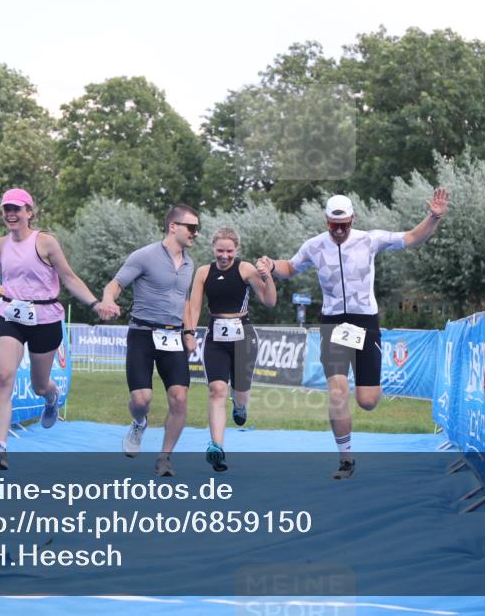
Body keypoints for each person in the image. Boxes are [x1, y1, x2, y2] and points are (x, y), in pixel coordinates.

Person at [257, 190, 450, 479]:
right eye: (334, 226)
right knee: (337, 391)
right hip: (333, 322)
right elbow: (290, 268)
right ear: (326, 222)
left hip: (364, 322)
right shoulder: (314, 246)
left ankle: (369, 384)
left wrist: (433, 217)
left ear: (353, 220)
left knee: (368, 401)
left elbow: (411, 238)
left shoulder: (368, 239)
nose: (339, 231)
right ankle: (346, 460)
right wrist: (273, 266)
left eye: (344, 225)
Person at [0, 189, 104, 470]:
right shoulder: (4, 243)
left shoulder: (45, 242)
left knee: (38, 385)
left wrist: (95, 303)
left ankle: (51, 396)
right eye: (7, 209)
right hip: (11, 313)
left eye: (17, 209)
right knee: (4, 374)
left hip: (45, 317)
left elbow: (68, 277)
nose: (11, 214)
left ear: (29, 213)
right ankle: (0, 446)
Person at [98, 204, 200, 478]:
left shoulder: (190, 264)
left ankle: (165, 458)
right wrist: (108, 300)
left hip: (173, 337)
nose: (196, 233)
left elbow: (186, 301)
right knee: (142, 399)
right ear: (173, 226)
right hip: (142, 333)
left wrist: (189, 332)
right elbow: (115, 284)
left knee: (179, 398)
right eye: (191, 227)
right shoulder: (144, 256)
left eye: (198, 228)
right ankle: (139, 422)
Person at [183, 227, 277, 471]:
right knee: (216, 390)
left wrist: (268, 277)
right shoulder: (204, 272)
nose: (224, 256)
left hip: (243, 336)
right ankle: (217, 447)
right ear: (213, 249)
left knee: (240, 391)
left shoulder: (245, 269)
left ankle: (240, 405)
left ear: (237, 250)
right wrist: (189, 332)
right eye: (220, 251)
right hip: (215, 336)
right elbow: (193, 307)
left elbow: (269, 301)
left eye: (229, 251)